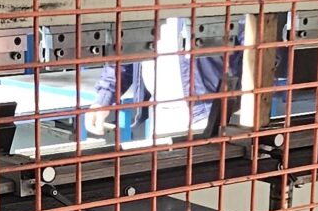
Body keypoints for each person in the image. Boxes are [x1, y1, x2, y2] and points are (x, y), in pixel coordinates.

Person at [85, 12, 230, 142]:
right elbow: (123, 58)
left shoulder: (202, 5)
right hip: (160, 113)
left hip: (203, 114)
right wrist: (103, 99)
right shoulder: (141, 8)